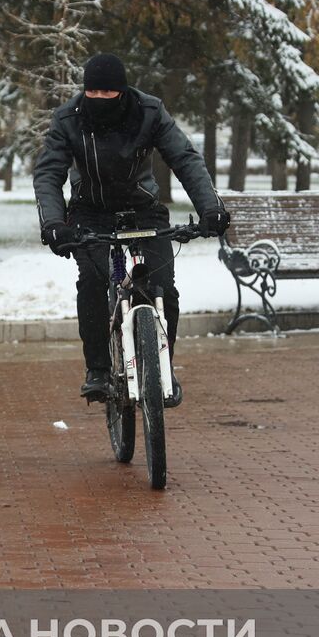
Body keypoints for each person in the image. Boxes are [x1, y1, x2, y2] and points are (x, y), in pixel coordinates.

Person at [33, 53, 230, 402]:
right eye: (93, 95)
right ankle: (97, 369)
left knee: (163, 288)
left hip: (142, 208)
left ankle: (162, 368)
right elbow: (49, 173)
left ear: (123, 92)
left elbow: (184, 158)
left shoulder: (150, 112)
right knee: (93, 280)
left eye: (109, 95)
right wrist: (53, 223)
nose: (100, 101)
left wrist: (210, 208)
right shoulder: (68, 119)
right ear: (85, 92)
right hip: (89, 212)